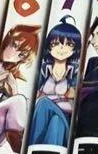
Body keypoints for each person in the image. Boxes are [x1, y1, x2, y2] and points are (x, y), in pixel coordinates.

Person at [0, 25, 41, 152]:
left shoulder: (10, 76)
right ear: (7, 40)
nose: (14, 56)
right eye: (14, 46)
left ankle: (19, 147)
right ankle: (20, 149)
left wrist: (13, 90)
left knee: (24, 102)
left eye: (21, 55)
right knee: (19, 101)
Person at [29, 18, 82, 146]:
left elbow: (73, 103)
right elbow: (34, 96)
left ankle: (32, 144)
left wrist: (47, 98)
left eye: (69, 44)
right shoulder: (44, 69)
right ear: (49, 45)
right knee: (56, 122)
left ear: (75, 48)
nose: (62, 48)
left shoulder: (75, 71)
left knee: (44, 103)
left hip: (67, 119)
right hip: (53, 121)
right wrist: (60, 98)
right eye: (56, 43)